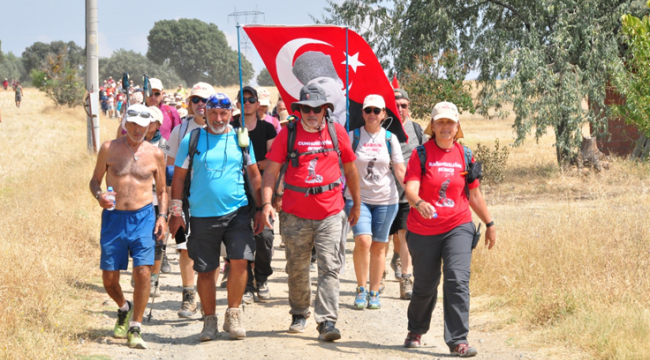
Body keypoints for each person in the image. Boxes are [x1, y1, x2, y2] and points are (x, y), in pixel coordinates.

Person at [261, 84, 361, 341]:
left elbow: (350, 170)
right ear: (300, 110)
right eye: (306, 108)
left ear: (325, 109)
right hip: (295, 214)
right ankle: (299, 312)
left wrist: (357, 204)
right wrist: (267, 203)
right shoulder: (288, 133)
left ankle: (327, 321)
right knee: (297, 266)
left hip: (331, 212)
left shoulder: (336, 132)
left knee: (329, 266)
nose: (311, 113)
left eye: (316, 108)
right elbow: (271, 172)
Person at [402, 101, 496, 357]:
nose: (445, 127)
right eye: (440, 122)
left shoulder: (466, 155)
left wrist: (489, 223)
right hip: (423, 229)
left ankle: (458, 340)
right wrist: (419, 202)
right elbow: (410, 188)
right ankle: (416, 330)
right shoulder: (420, 154)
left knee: (457, 281)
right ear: (432, 125)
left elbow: (474, 195)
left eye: (450, 122)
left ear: (457, 127)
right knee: (425, 285)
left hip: (458, 226)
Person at [169, 93, 263, 341]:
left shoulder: (241, 139)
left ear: (231, 114)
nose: (218, 118)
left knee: (240, 261)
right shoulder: (193, 138)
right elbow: (178, 178)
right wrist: (175, 213)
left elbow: (254, 175)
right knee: (207, 270)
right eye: (213, 113)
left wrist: (262, 207)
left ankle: (233, 315)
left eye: (224, 113)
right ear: (205, 114)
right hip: (202, 215)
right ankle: (209, 321)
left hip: (237, 212)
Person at [89, 104, 168, 350]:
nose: (137, 130)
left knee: (143, 273)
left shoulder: (155, 154)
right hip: (114, 219)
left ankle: (136, 326)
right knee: (109, 280)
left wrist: (162, 216)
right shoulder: (109, 149)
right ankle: (124, 307)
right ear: (126, 124)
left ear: (150, 127)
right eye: (132, 124)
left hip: (144, 217)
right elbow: (94, 181)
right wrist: (99, 195)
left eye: (142, 126)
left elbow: (163, 190)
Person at [346, 94, 405, 310]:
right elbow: (342, 166)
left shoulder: (390, 139)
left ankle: (374, 291)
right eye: (368, 110)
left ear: (384, 115)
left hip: (386, 200)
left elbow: (399, 170)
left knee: (380, 247)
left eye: (376, 110)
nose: (372, 114)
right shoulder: (352, 136)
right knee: (363, 241)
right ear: (362, 113)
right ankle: (361, 289)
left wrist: (414, 193)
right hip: (357, 200)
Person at [164, 81, 215, 319]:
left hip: (212, 199)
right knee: (185, 248)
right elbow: (170, 165)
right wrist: (172, 203)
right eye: (196, 100)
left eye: (205, 100)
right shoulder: (180, 130)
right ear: (189, 103)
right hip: (185, 199)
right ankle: (188, 296)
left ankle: (208, 298)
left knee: (213, 249)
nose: (200, 105)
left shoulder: (225, 128)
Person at [231, 86, 277, 304]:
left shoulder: (268, 129)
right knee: (239, 237)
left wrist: (251, 166)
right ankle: (246, 283)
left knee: (265, 237)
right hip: (235, 189)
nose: (247, 102)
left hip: (261, 189)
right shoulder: (230, 128)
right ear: (238, 103)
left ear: (258, 104)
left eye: (251, 99)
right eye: (243, 99)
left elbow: (273, 160)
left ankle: (262, 277)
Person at [388, 88, 425, 300]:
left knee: (405, 236)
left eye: (404, 105)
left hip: (406, 195)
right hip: (382, 194)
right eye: (396, 105)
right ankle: (380, 275)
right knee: (382, 239)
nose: (400, 109)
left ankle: (406, 279)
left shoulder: (418, 130)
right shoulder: (380, 128)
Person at [292, 52, 347, 126]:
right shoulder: (311, 118)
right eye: (312, 85)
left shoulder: (364, 111)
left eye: (322, 82)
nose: (320, 89)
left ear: (340, 83)